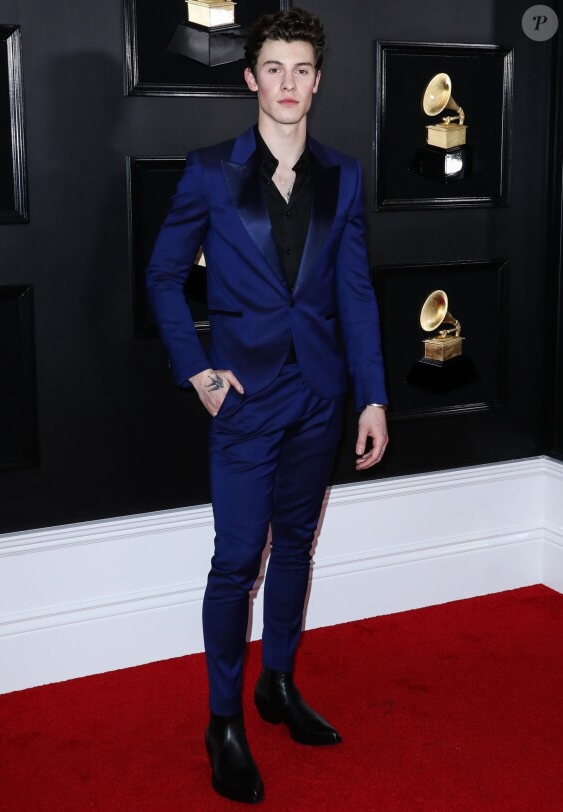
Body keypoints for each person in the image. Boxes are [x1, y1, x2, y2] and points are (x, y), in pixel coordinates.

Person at [146, 8, 388, 804]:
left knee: (298, 549)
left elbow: (355, 292)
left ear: (318, 81)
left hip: (321, 395)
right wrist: (201, 374)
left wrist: (373, 397)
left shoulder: (344, 175)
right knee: (236, 560)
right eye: (273, 69)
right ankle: (223, 722)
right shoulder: (212, 170)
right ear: (251, 78)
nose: (288, 84)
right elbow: (162, 276)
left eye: (302, 70)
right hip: (244, 401)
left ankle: (275, 686)